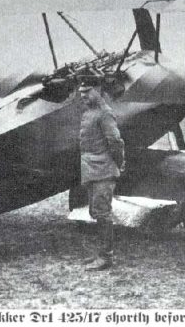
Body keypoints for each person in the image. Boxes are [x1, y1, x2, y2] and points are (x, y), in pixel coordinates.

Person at [78, 75, 125, 271]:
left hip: (103, 170)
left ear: (98, 90)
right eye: (81, 92)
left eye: (87, 92)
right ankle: (101, 253)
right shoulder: (90, 112)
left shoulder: (105, 113)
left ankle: (106, 257)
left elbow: (115, 141)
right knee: (96, 212)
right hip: (92, 169)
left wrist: (118, 164)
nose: (83, 96)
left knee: (103, 213)